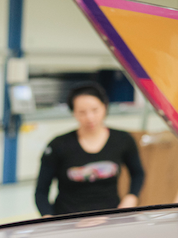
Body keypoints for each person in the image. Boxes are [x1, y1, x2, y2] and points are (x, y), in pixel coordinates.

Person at [35, 83, 145, 216]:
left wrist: (131, 197)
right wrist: (48, 218)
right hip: (68, 219)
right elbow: (41, 191)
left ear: (104, 107)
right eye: (82, 112)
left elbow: (138, 173)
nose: (90, 117)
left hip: (110, 218)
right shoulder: (58, 145)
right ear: (73, 113)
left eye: (95, 110)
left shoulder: (122, 139)